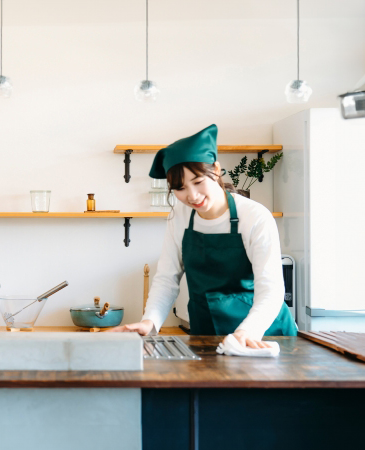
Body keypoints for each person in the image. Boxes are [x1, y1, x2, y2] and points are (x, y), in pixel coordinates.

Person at [111, 124, 296, 347]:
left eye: (198, 182)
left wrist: (249, 331)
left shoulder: (255, 216)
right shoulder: (179, 215)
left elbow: (271, 288)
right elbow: (167, 278)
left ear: (216, 170)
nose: (192, 196)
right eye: (179, 188)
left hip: (263, 335)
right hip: (206, 335)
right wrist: (150, 322)